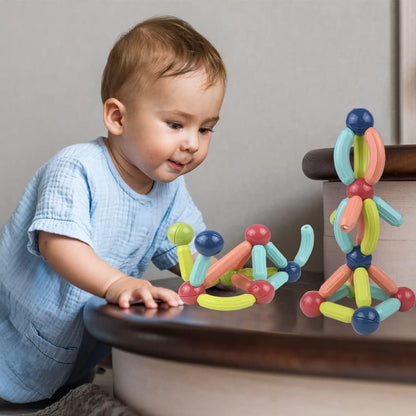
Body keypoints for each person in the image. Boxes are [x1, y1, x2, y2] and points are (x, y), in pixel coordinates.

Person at [0, 16, 226, 403]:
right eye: (176, 124)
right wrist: (117, 284)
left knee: (66, 399)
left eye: (205, 129)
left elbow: (188, 254)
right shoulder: (76, 168)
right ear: (118, 117)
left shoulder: (169, 189)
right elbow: (59, 245)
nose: (192, 143)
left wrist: (226, 272)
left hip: (71, 354)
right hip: (15, 339)